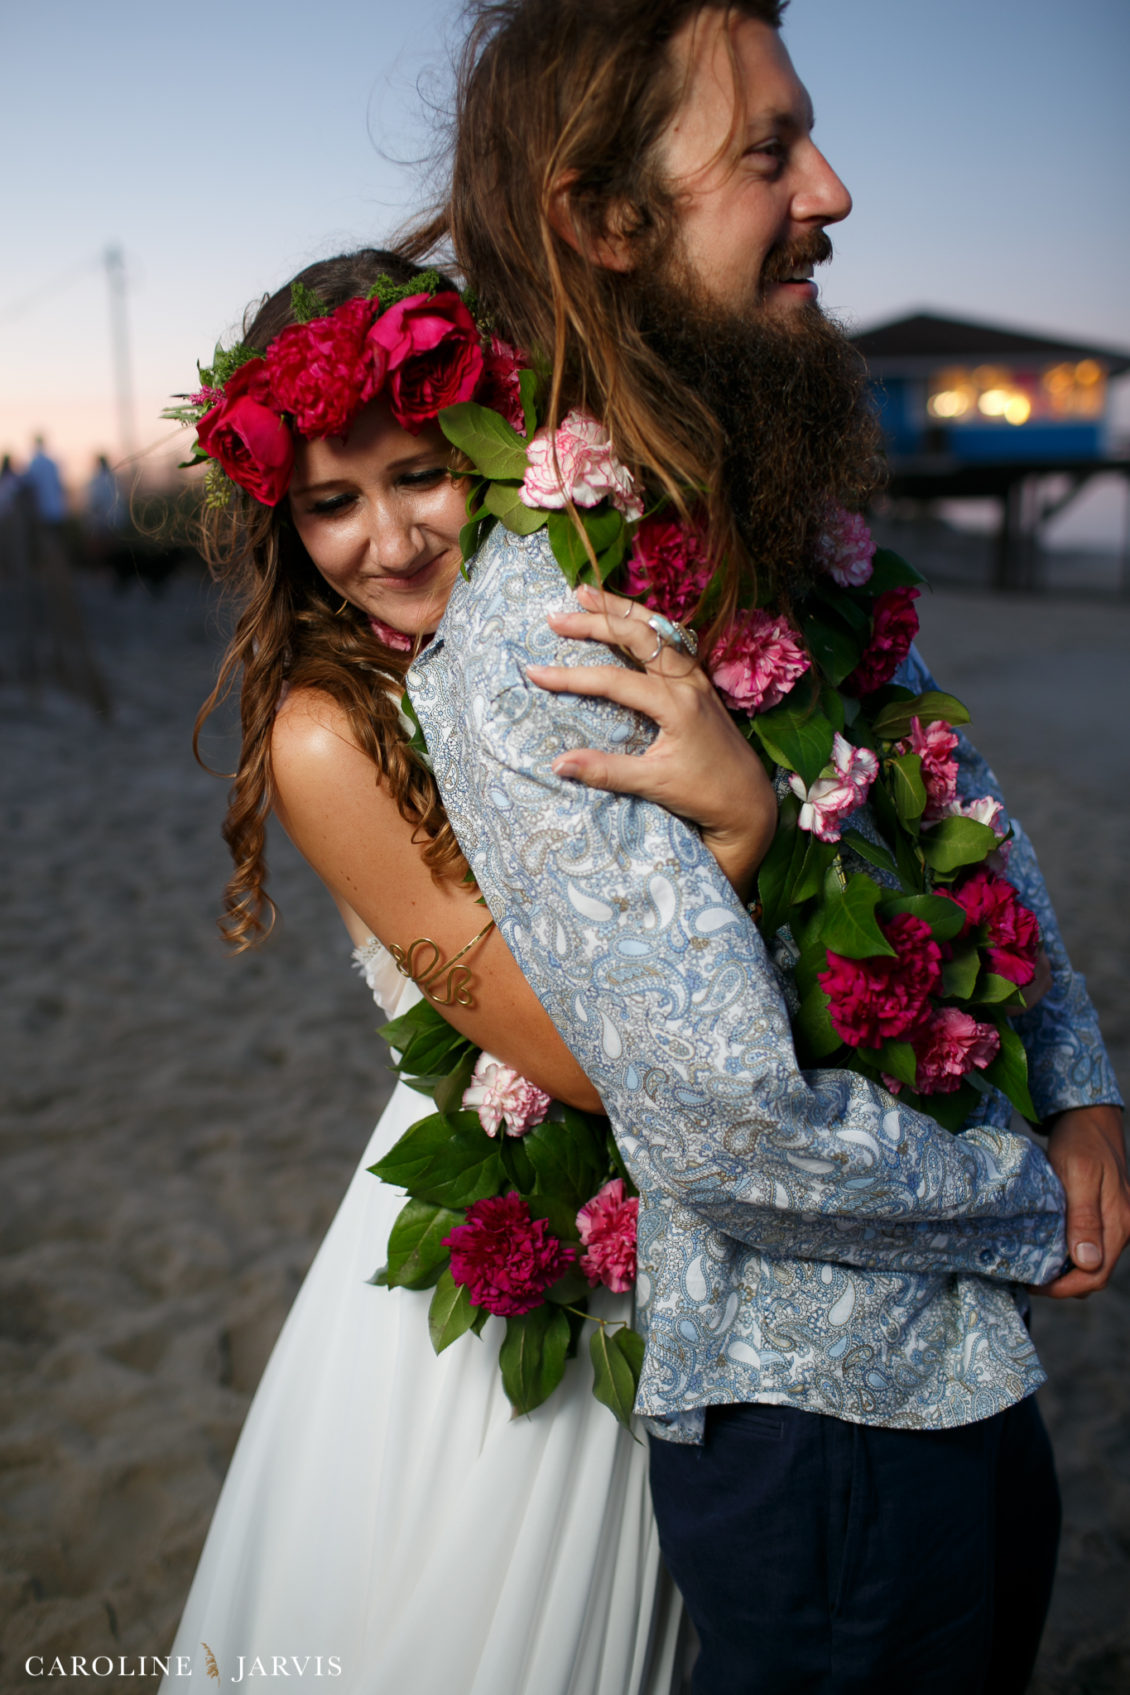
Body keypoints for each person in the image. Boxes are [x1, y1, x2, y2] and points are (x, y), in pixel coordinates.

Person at [390, 3, 1129, 1691]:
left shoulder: (781, 530)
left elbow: (969, 814)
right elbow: (728, 1126)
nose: (837, 191)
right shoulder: (543, 629)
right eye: (768, 150)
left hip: (961, 1360)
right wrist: (1035, 1198)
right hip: (824, 1432)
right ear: (601, 218)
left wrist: (1078, 1081)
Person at [162, 246, 783, 1693]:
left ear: (500, 455)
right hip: (530, 1198)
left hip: (686, 1168)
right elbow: (565, 1055)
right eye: (329, 501)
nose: (386, 540)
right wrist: (743, 828)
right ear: (280, 519)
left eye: (421, 475)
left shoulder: (546, 631)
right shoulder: (330, 730)